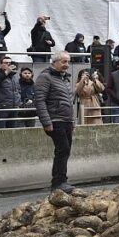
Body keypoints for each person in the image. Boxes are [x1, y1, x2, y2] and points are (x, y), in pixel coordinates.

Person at [34, 51, 77, 193]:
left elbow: (68, 102)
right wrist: (46, 122)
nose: (67, 65)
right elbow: (40, 101)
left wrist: (72, 121)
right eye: (64, 62)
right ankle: (59, 182)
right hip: (55, 119)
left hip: (66, 121)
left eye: (68, 61)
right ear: (55, 62)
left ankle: (60, 181)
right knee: (63, 149)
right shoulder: (45, 77)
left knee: (65, 150)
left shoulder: (64, 79)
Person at [0, 55, 21, 129]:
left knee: (13, 129)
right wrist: (6, 72)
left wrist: (19, 101)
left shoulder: (14, 77)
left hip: (14, 107)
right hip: (2, 107)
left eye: (10, 63)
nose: (8, 65)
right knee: (0, 129)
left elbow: (18, 90)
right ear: (1, 64)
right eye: (6, 63)